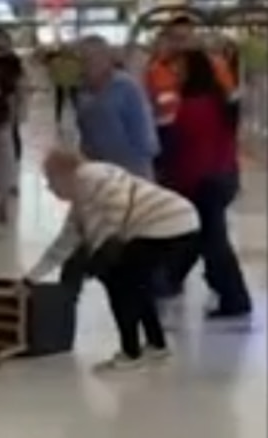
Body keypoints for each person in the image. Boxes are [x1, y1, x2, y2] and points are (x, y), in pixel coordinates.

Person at [26, 147, 200, 373]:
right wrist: (30, 278)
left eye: (50, 180)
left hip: (163, 228)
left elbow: (116, 204)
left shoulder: (89, 176)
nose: (50, 188)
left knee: (119, 284)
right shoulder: (84, 192)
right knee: (138, 285)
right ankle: (156, 345)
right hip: (182, 225)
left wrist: (103, 252)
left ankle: (131, 352)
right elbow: (64, 244)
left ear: (64, 173)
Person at [160, 48, 251, 321]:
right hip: (223, 176)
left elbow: (187, 151)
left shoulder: (192, 108)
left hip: (202, 181)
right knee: (200, 237)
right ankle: (170, 280)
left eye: (180, 69)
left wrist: (173, 179)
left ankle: (234, 297)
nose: (175, 74)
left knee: (212, 243)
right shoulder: (219, 102)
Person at [75, 36, 159, 178]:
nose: (87, 65)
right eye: (83, 60)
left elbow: (144, 136)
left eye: (93, 59)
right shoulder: (84, 93)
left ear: (107, 59)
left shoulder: (125, 88)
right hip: (101, 171)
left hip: (132, 171)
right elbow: (86, 134)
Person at [0, 28, 24, 224]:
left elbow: (15, 91)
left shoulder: (12, 63)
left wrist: (15, 114)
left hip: (2, 117)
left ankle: (3, 199)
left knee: (6, 157)